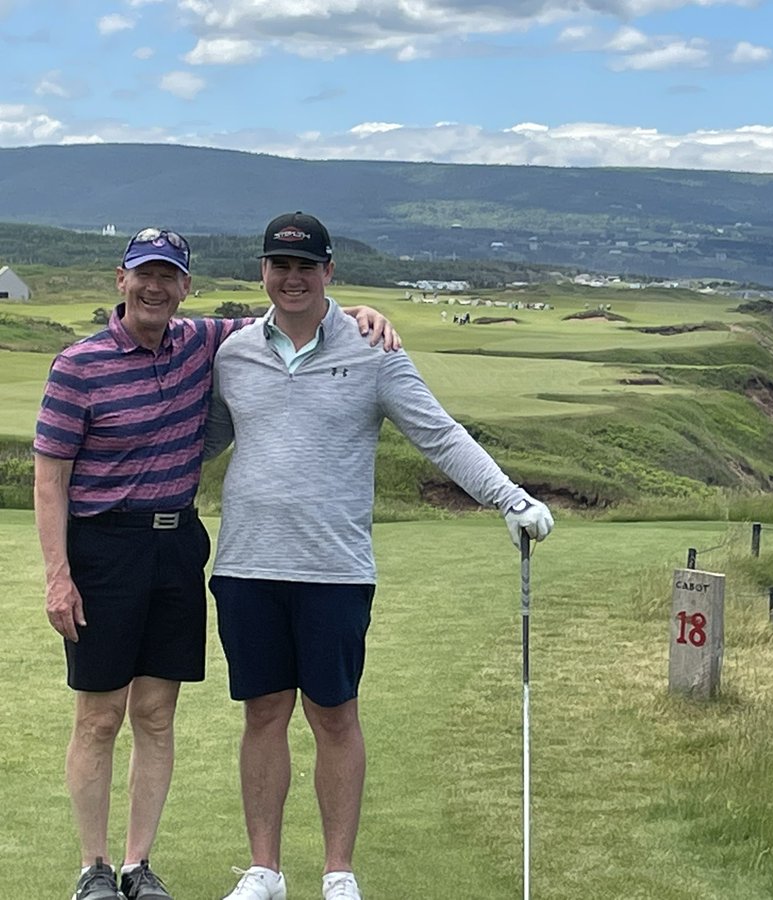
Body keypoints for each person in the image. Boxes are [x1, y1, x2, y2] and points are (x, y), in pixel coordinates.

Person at [34, 227, 398, 900]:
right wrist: (58, 574)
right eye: (143, 274)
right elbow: (49, 479)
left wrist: (358, 314)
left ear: (185, 287)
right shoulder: (78, 364)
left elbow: (291, 309)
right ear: (121, 279)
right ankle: (93, 869)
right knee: (99, 716)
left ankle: (138, 866)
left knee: (156, 714)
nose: (154, 287)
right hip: (103, 549)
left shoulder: (204, 341)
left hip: (177, 546)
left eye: (167, 276)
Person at [204, 211, 554, 900]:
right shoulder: (233, 354)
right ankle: (265, 870)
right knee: (263, 714)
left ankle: (338, 871)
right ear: (263, 271)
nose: (293, 278)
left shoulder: (374, 349)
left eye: (307, 266)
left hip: (334, 569)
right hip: (246, 566)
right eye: (281, 265)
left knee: (335, 716)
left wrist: (509, 498)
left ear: (329, 271)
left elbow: (439, 434)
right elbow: (200, 441)